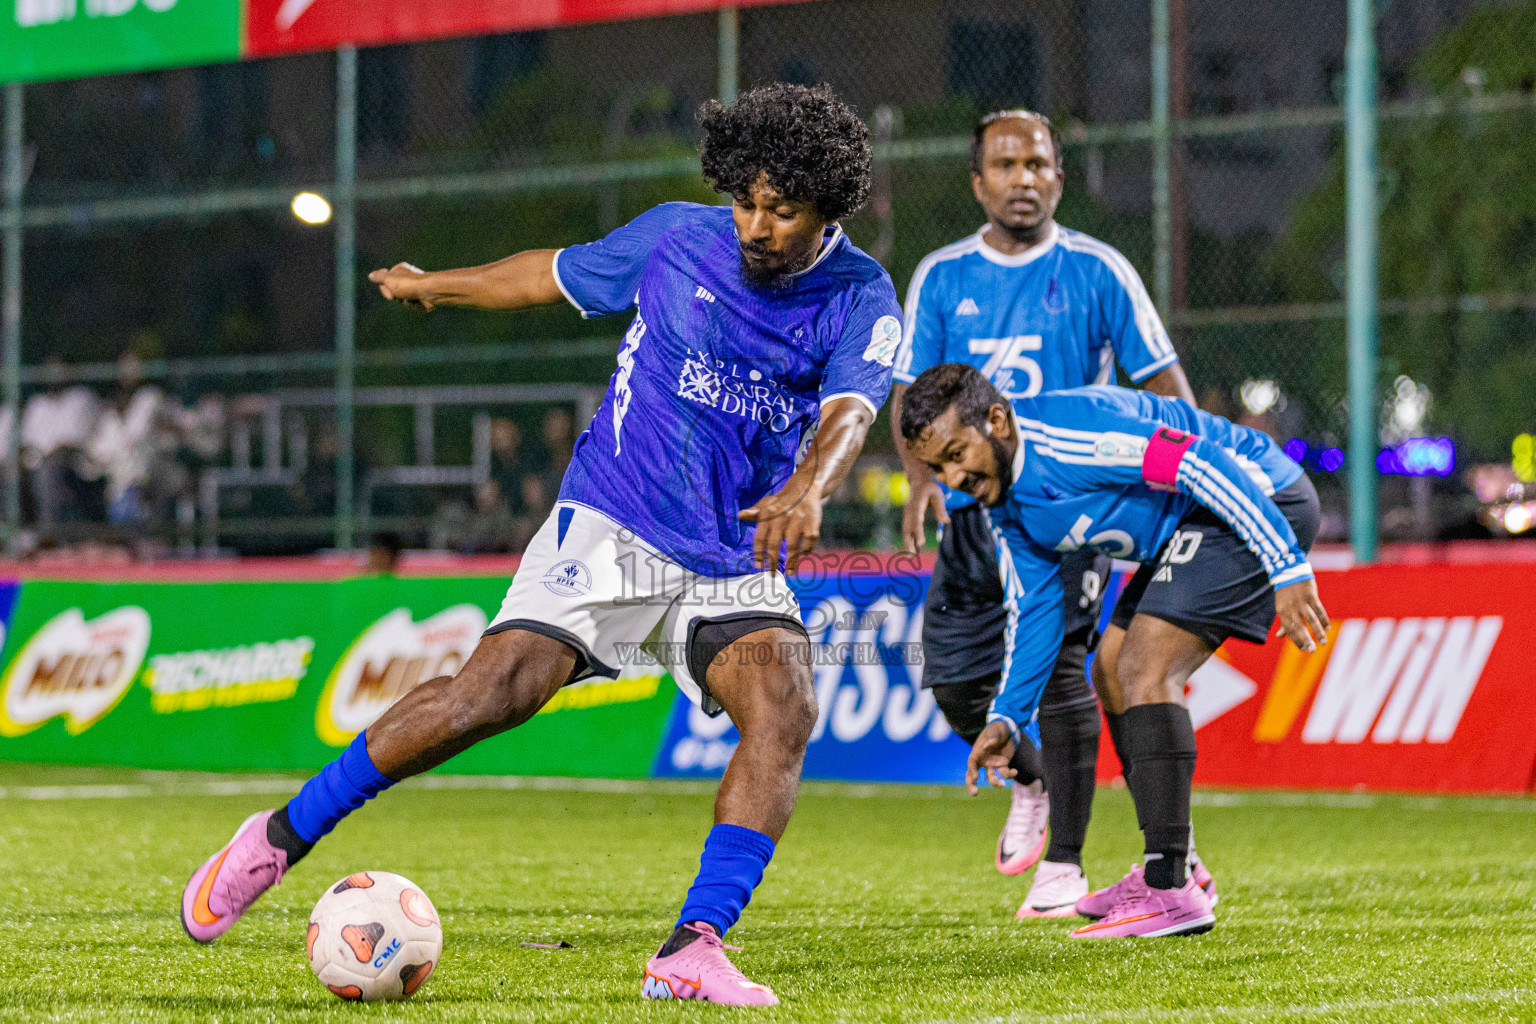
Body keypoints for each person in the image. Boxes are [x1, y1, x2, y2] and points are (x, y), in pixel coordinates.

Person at [177, 83, 901, 1007]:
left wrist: (810, 486)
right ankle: (276, 839)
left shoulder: (860, 294)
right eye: (746, 200)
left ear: (828, 210)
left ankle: (693, 945)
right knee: (488, 698)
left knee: (785, 699)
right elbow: (548, 273)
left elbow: (850, 409)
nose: (758, 225)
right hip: (612, 514)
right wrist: (434, 284)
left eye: (783, 211)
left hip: (729, 548)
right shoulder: (679, 238)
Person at [889, 110, 1197, 918]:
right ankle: (1030, 782)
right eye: (1005, 164)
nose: (1023, 178)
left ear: (1059, 177)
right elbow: (908, 396)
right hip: (970, 512)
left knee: (1065, 669)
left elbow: (1166, 388)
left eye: (1038, 164)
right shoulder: (942, 275)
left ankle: (1063, 866)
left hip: (1066, 508)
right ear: (977, 181)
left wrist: (1182, 475)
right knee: (953, 679)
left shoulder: (1099, 272)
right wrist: (924, 480)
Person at [898, 363, 1328, 938]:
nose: (952, 477)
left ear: (996, 419)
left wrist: (1286, 566)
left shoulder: (1070, 436)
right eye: (937, 467)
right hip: (1188, 527)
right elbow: (1038, 608)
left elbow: (1203, 462)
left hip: (1259, 499)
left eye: (957, 453)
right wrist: (1008, 716)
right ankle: (1180, 869)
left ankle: (1169, 888)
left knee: (1143, 666)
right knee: (1110, 670)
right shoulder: (1003, 506)